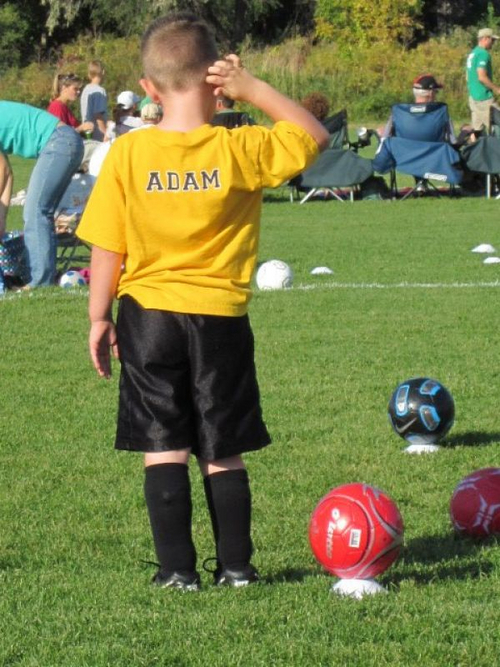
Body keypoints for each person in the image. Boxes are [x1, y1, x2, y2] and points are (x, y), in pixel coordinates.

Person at [76, 12, 328, 591]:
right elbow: (314, 135)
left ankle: (176, 572)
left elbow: (107, 246)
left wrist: (97, 318)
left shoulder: (128, 155)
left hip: (148, 317)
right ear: (218, 80)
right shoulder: (241, 148)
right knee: (223, 446)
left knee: (162, 444)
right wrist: (255, 88)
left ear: (148, 89)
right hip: (220, 318)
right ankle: (236, 569)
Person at [0, 101, 84, 287]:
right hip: (64, 141)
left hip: (59, 142)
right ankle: (42, 277)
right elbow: (7, 173)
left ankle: (41, 282)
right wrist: (2, 219)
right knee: (37, 211)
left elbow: (1, 171)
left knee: (36, 211)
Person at [379, 74, 456, 144]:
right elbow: (453, 142)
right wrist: (464, 133)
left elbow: (385, 139)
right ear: (431, 93)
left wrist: (381, 134)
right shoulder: (440, 111)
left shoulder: (399, 111)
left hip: (404, 158)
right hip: (434, 158)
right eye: (436, 92)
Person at [466, 28, 500, 132]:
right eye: (492, 40)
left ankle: (474, 148)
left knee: (477, 130)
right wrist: (496, 89)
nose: (493, 43)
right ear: (486, 38)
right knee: (497, 125)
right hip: (483, 98)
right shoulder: (483, 54)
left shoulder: (473, 53)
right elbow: (481, 76)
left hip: (473, 96)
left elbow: (468, 76)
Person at [80, 60, 108, 141]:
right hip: (97, 134)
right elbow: (98, 114)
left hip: (87, 131)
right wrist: (105, 132)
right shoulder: (100, 90)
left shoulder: (86, 89)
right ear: (103, 72)